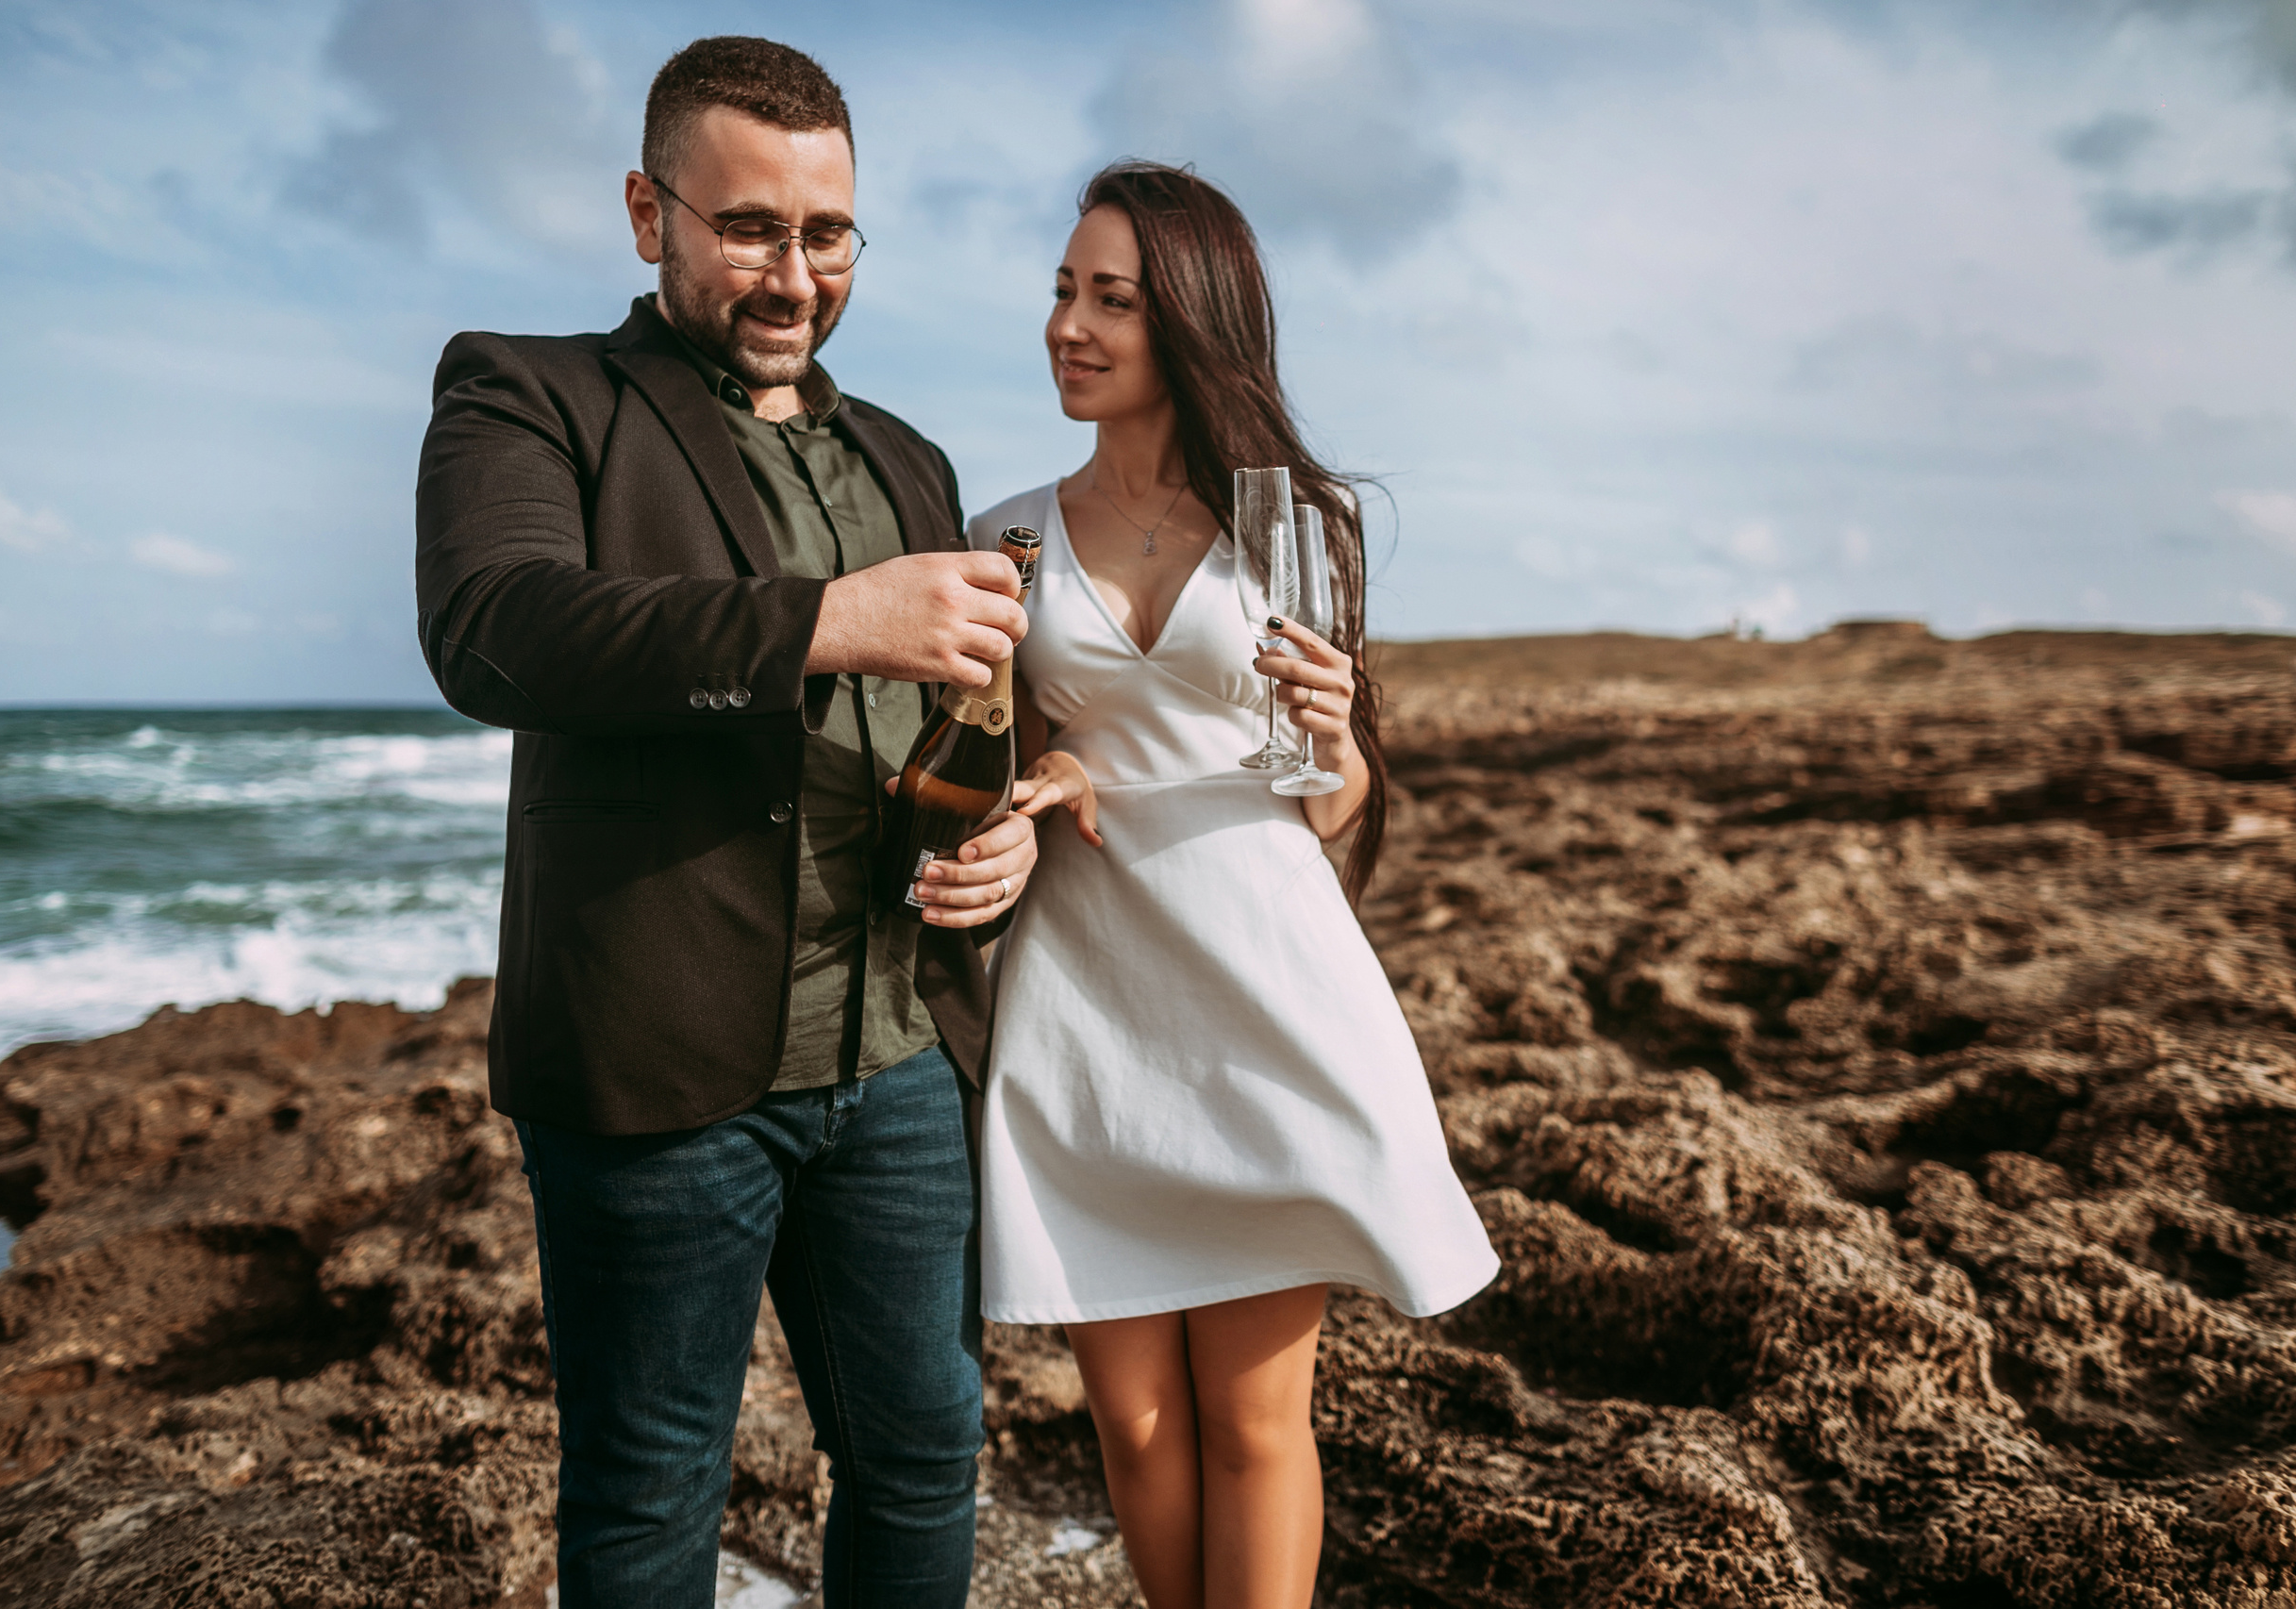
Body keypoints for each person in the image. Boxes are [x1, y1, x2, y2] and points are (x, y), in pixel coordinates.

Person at [413, 37, 1037, 1607]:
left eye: (827, 234)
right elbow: (499, 628)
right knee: (647, 1499)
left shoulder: (911, 457)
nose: (795, 276)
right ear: (649, 213)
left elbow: (964, 715)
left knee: (924, 1455)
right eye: (751, 228)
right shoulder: (526, 391)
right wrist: (826, 619)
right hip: (652, 1063)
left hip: (899, 1054)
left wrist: (1005, 826)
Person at [970, 162, 1502, 1609]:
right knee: (1136, 1423)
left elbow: (1326, 806)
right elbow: (990, 757)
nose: (1069, 326)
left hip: (1265, 988)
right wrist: (1049, 774)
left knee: (1253, 1420)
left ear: (1191, 321)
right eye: (1063, 291)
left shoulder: (1288, 524)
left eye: (1112, 299)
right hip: (1087, 1006)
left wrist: (1338, 736)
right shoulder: (1004, 535)